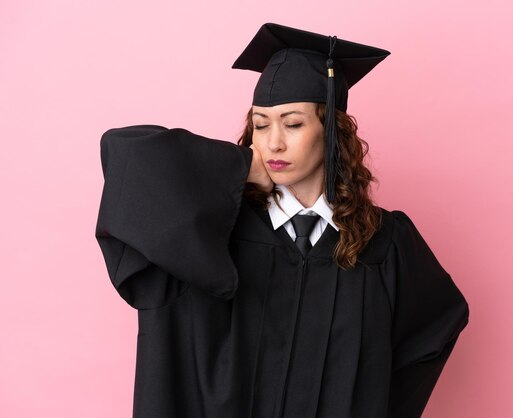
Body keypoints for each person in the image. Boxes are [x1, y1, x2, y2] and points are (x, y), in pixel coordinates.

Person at [95, 22, 470, 418]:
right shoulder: (215, 228)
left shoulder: (385, 244)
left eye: (293, 124)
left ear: (331, 132)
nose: (273, 142)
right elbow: (126, 157)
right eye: (260, 125)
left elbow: (434, 330)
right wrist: (238, 168)